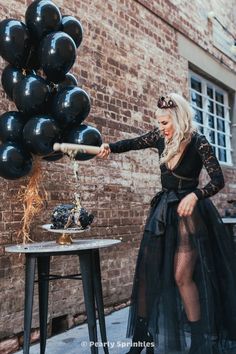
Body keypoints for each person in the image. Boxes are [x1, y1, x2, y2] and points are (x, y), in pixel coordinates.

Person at [97, 93, 236, 354]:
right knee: (147, 275)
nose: (161, 128)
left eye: (164, 123)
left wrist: (196, 195)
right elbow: (134, 142)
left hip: (189, 214)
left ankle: (198, 342)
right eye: (159, 123)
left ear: (179, 119)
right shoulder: (161, 138)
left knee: (182, 276)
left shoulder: (199, 143)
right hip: (163, 213)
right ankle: (141, 341)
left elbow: (218, 180)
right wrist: (110, 147)